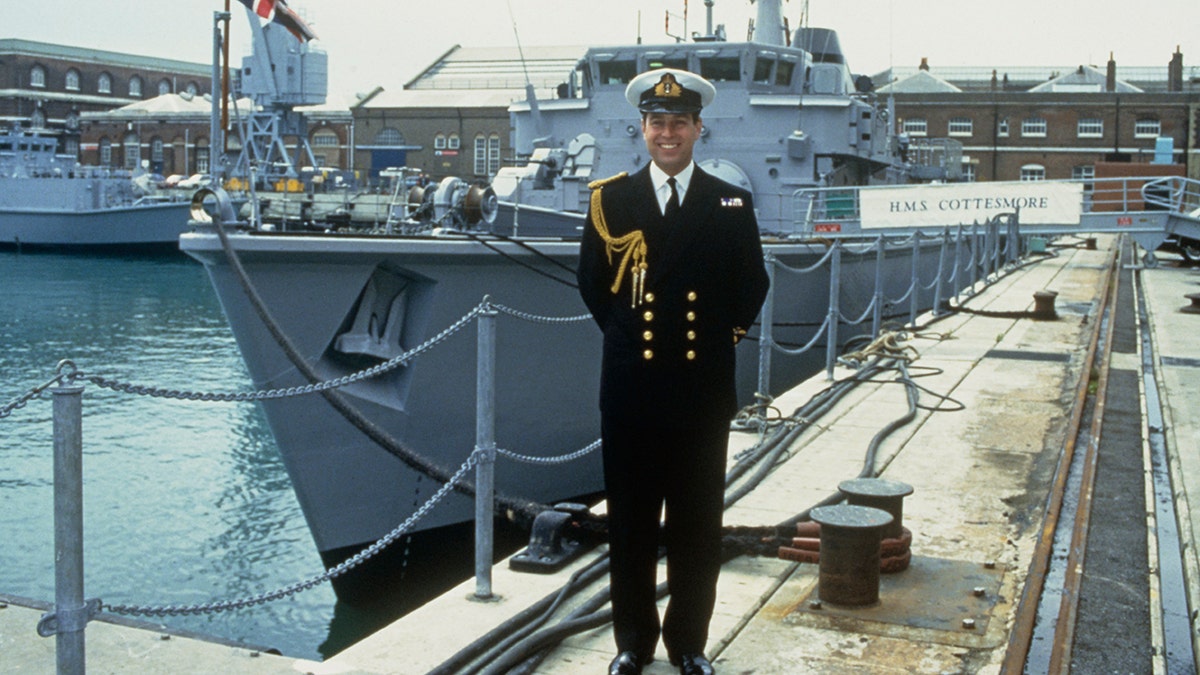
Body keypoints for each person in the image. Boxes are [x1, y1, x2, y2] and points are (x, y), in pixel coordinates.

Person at [577, 68, 770, 675]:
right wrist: (628, 338)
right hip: (632, 386)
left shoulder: (729, 201)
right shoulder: (611, 199)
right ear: (642, 129)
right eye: (657, 123)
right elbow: (593, 286)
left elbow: (750, 285)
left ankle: (688, 643)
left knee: (696, 523)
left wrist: (717, 340)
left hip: (699, 388)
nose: (668, 133)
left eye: (678, 123)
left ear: (697, 129)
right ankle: (632, 643)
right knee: (630, 522)